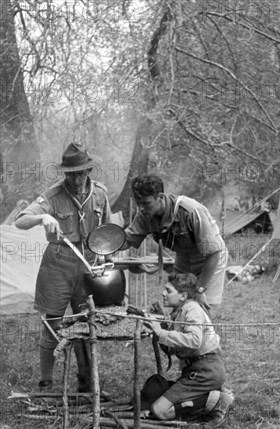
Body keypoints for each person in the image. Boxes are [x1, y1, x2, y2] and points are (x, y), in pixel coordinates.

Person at [15, 143, 111, 392]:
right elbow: (21, 221)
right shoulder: (53, 195)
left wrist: (105, 260)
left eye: (81, 173)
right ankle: (46, 381)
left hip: (88, 263)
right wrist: (42, 217)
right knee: (52, 322)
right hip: (58, 263)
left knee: (86, 321)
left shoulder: (100, 194)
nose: (77, 179)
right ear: (65, 173)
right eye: (71, 174)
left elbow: (108, 231)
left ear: (89, 170)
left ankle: (86, 380)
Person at [121, 174, 228, 308]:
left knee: (200, 306)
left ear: (160, 197)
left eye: (146, 203)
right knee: (178, 301)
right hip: (184, 257)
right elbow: (127, 239)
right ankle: (178, 328)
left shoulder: (190, 211)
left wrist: (200, 289)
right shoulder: (145, 214)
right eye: (139, 204)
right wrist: (103, 244)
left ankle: (200, 328)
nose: (141, 208)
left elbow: (213, 253)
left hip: (210, 258)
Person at [143, 273, 234, 429]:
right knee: (154, 397)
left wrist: (162, 332)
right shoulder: (180, 311)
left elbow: (194, 340)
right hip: (196, 370)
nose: (163, 293)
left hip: (206, 371)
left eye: (168, 290)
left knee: (160, 410)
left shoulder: (192, 309)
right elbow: (174, 350)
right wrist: (162, 326)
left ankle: (218, 400)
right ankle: (212, 397)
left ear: (183, 295)